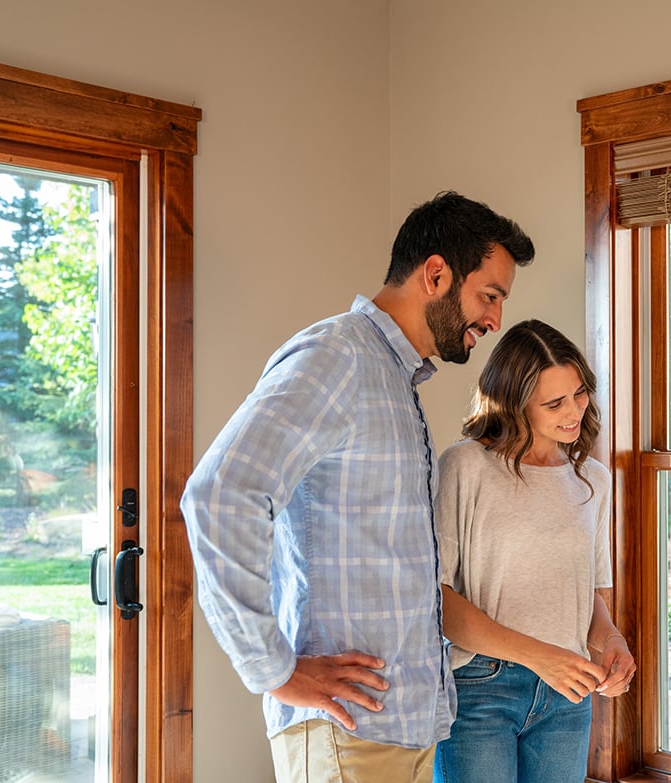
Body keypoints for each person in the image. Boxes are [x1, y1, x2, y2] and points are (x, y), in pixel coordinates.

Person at [180, 191, 535, 783]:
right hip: (350, 733)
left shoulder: (392, 377)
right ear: (437, 274)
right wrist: (273, 671)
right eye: (489, 295)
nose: (495, 320)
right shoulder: (338, 356)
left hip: (404, 727)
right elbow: (220, 494)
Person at [432, 319, 635, 783]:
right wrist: (540, 656)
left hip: (567, 694)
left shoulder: (592, 481)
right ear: (513, 402)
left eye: (580, 393)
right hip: (481, 688)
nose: (574, 411)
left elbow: (591, 601)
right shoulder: (466, 466)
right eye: (554, 402)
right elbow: (437, 602)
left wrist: (610, 642)